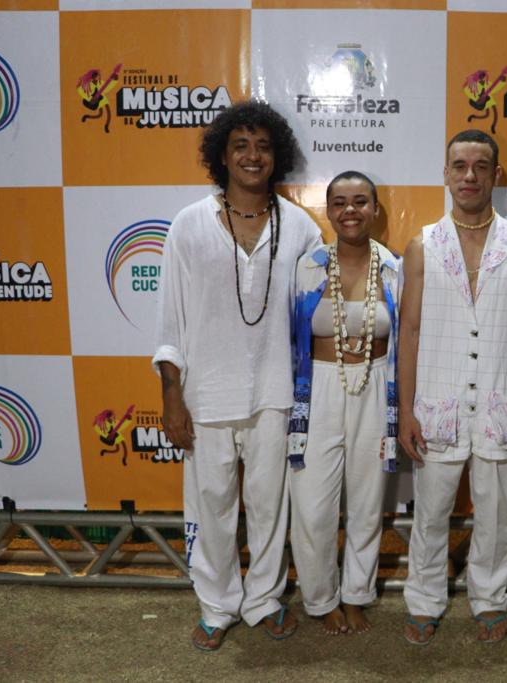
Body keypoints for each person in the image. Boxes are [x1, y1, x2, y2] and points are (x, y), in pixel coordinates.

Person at [153, 100, 322, 652]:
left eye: (263, 146)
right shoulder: (188, 224)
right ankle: (216, 605)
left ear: (278, 156)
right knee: (212, 508)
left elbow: (315, 315)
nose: (253, 156)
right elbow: (170, 321)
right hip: (205, 395)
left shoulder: (300, 228)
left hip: (275, 392)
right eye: (241, 146)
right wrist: (172, 396)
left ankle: (265, 599)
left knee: (271, 505)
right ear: (221, 155)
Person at [398, 130, 507, 644]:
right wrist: (405, 408)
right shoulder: (421, 245)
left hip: (500, 405)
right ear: (445, 174)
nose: (469, 176)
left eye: (480, 166)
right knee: (430, 515)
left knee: (495, 515)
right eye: (459, 166)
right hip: (436, 404)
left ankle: (489, 599)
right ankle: (424, 600)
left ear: (495, 175)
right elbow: (409, 330)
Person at [288, 171, 400, 635]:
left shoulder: (394, 268)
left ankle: (356, 595)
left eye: (360, 201)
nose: (350, 210)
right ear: (329, 211)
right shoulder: (307, 267)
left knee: (368, 502)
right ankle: (320, 598)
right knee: (312, 506)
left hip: (375, 385)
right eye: (339, 202)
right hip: (318, 387)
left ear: (375, 209)